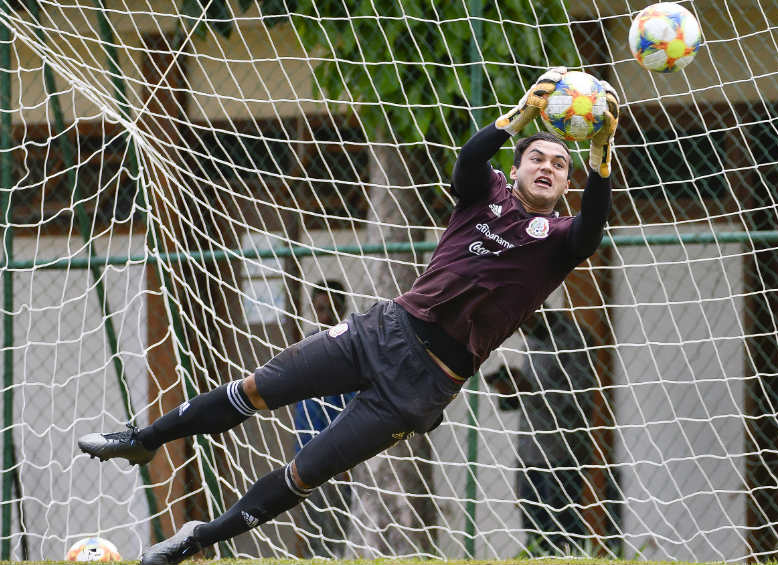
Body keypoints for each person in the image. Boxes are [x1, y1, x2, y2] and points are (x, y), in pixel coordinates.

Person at [77, 66, 620, 565]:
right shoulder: (486, 195)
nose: (547, 168)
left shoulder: (559, 240)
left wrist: (601, 149)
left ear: (568, 183)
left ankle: (196, 539)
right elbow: (471, 159)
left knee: (305, 472)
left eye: (559, 165)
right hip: (382, 331)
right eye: (537, 158)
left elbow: (594, 226)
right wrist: (522, 113)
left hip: (420, 386)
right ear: (518, 167)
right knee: (255, 391)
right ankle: (144, 439)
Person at [487, 310, 617, 556]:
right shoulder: (532, 340)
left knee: (563, 530)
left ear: (535, 310)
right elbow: (524, 400)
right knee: (534, 529)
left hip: (561, 452)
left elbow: (578, 402)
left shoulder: (575, 340)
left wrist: (530, 391)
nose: (518, 332)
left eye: (520, 324)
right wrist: (510, 390)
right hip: (528, 452)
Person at [292, 280, 355, 558]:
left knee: (336, 528)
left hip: (338, 453)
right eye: (319, 307)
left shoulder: (351, 346)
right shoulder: (306, 345)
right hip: (305, 451)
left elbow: (353, 403)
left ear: (342, 307)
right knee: (312, 525)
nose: (325, 313)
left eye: (331, 307)